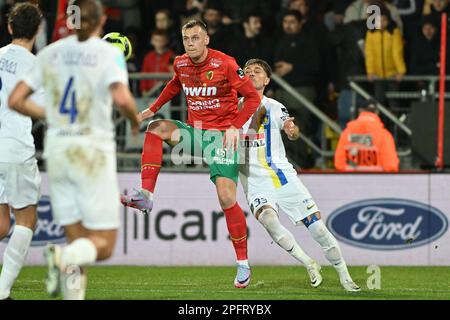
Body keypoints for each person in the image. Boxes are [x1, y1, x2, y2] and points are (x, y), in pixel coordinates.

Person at [8, 0, 140, 300]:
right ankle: (66, 257)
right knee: (103, 244)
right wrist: (134, 121)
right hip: (91, 151)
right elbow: (122, 98)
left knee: (75, 237)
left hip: (58, 151)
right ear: (102, 20)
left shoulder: (49, 53)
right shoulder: (110, 53)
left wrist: (51, 116)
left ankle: (70, 282)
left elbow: (16, 100)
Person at [120, 20, 261, 288]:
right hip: (195, 134)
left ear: (207, 39)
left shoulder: (227, 63)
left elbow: (252, 97)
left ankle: (242, 263)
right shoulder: (181, 63)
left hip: (222, 137)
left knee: (226, 196)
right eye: (186, 39)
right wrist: (152, 108)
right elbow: (175, 85)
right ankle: (146, 195)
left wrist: (234, 127)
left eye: (196, 38)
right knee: (156, 128)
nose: (191, 43)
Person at [240, 58, 360, 292]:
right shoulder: (231, 107)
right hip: (254, 182)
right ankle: (308, 263)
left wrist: (291, 130)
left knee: (317, 228)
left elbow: (290, 129)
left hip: (282, 177)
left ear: (266, 80)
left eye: (257, 71)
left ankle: (345, 276)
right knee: (268, 220)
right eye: (246, 71)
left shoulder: (273, 107)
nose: (251, 74)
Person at [0, 2, 43, 301]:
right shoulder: (36, 67)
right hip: (14, 147)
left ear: (10, 27)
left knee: (1, 224)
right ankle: (1, 293)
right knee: (26, 220)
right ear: (38, 31)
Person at [334, 100, 399, 172]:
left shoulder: (347, 133)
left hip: (352, 181)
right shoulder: (384, 135)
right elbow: (391, 166)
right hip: (376, 181)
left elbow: (339, 164)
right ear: (377, 112)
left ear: (360, 111)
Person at [140, 30, 175, 96]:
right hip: (150, 93)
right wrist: (144, 91)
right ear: (152, 41)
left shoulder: (171, 56)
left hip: (166, 94)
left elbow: (174, 75)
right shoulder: (148, 57)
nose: (158, 43)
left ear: (166, 41)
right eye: (156, 40)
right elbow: (144, 76)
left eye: (161, 40)